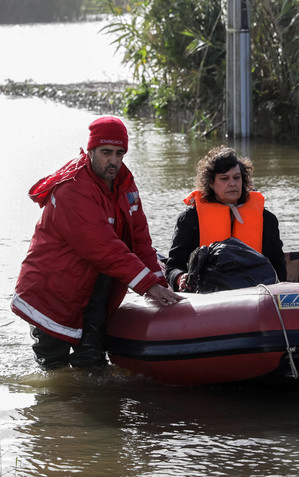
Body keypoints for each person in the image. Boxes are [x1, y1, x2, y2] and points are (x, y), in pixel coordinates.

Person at [11, 116, 183, 368]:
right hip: (51, 292)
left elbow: (140, 241)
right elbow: (103, 247)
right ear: (90, 150)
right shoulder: (73, 189)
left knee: (92, 367)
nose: (113, 161)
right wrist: (147, 285)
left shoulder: (125, 184)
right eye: (106, 152)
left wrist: (160, 284)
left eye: (119, 153)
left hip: (92, 292)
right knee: (55, 373)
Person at [165, 145, 287, 291]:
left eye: (237, 177)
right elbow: (172, 267)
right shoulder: (190, 220)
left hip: (256, 295)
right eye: (224, 178)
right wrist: (180, 278)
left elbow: (278, 265)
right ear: (210, 183)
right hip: (206, 296)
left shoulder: (266, 219)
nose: (232, 183)